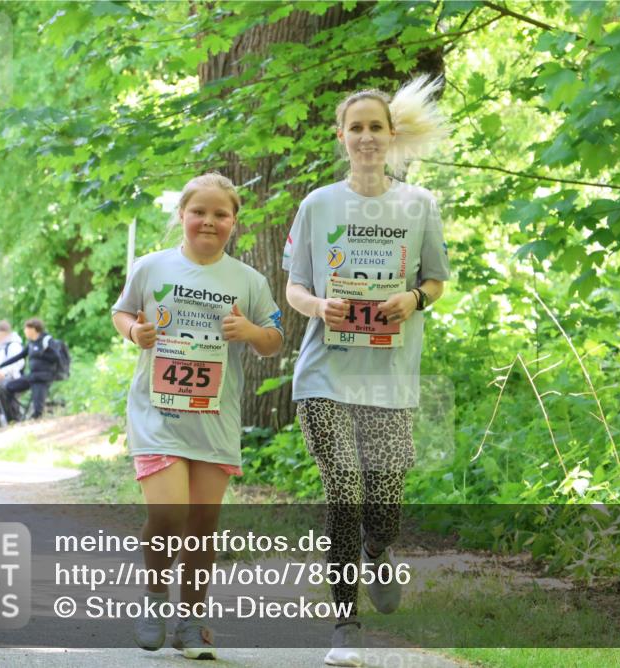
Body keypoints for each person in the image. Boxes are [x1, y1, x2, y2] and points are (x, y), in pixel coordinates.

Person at [283, 75, 450, 666]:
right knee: (343, 491)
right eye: (355, 127)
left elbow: (435, 279)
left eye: (375, 126)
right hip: (325, 373)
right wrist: (316, 305)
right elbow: (296, 286)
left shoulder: (418, 204)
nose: (366, 136)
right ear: (341, 136)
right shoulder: (318, 204)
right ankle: (344, 625)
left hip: (390, 377)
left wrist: (414, 301)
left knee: (383, 503)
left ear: (391, 133)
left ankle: (379, 551)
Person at [111, 172, 283, 659]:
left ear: (234, 221)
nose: (209, 221)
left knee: (202, 525)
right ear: (182, 216)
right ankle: (154, 599)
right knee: (168, 515)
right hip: (157, 413)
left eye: (220, 214)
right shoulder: (151, 267)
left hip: (214, 417)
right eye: (199, 212)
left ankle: (191, 620)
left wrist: (249, 329)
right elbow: (122, 312)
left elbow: (273, 341)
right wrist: (133, 334)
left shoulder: (249, 281)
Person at [0, 318, 59, 420]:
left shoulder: (46, 340)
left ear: (33, 329)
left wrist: (42, 354)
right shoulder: (31, 343)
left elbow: (56, 357)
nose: (25, 331)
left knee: (37, 412)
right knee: (8, 388)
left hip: (42, 378)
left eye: (26, 329)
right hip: (32, 376)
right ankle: (14, 415)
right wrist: (1, 365)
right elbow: (20, 356)